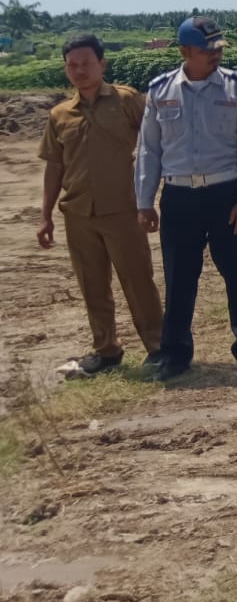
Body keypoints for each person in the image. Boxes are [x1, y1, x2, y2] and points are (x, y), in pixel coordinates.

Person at [134, 16, 237, 380]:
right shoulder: (160, 90)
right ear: (184, 51)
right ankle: (175, 355)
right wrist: (144, 201)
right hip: (178, 197)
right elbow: (149, 149)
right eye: (208, 49)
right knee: (179, 278)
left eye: (219, 47)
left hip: (226, 195)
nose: (216, 54)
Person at [37, 33, 163, 373]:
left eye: (86, 63)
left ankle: (158, 347)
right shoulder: (59, 115)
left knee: (138, 282)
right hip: (78, 213)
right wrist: (45, 215)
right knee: (92, 286)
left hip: (124, 211)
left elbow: (157, 142)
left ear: (102, 64)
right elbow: (54, 167)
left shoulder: (126, 100)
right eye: (72, 65)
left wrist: (150, 197)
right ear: (66, 68)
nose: (80, 71)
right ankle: (106, 350)